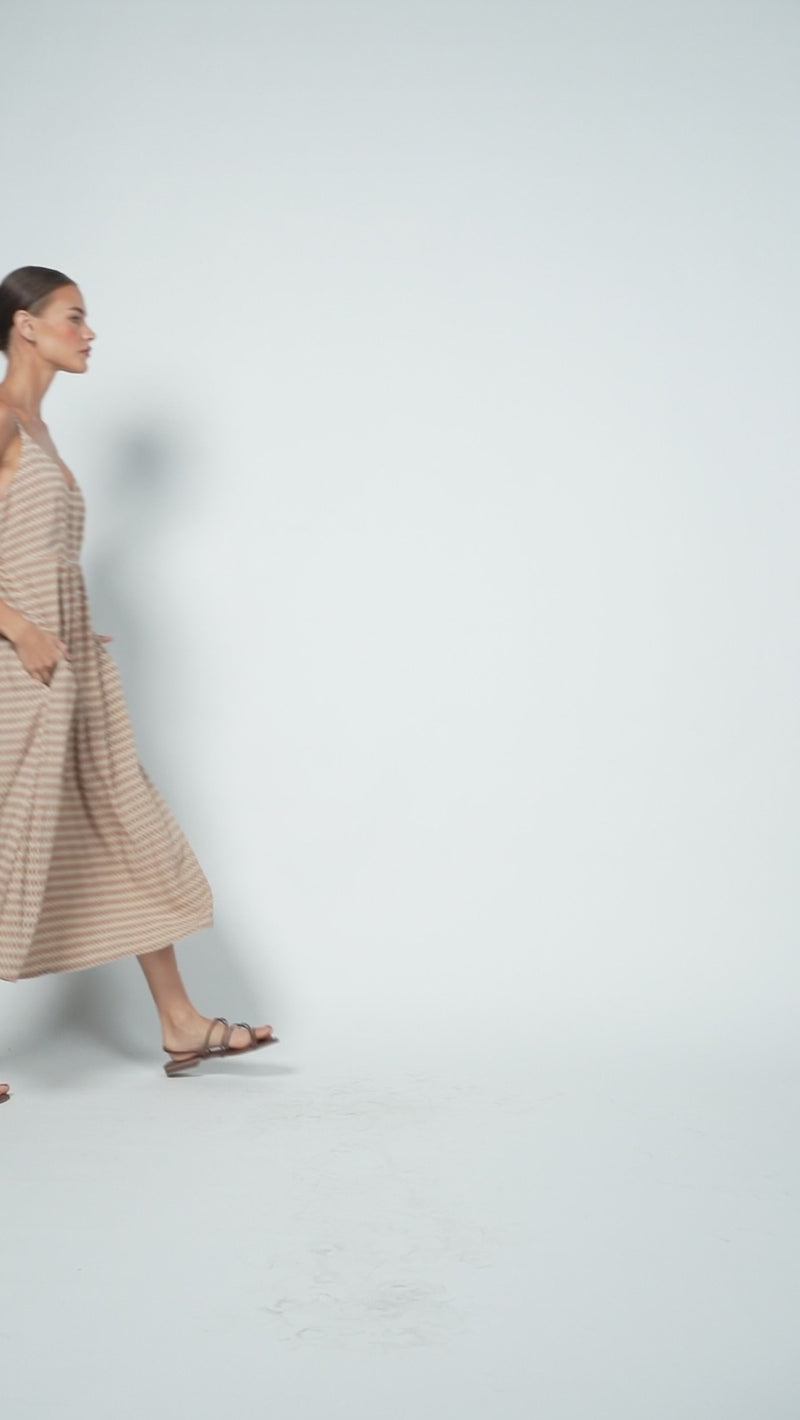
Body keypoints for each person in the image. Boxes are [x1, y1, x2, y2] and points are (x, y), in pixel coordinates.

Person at [0, 266, 277, 1103]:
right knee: (12, 838)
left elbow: (31, 552)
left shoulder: (39, 429)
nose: (89, 333)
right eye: (74, 316)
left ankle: (179, 1021)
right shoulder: (1, 416)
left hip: (67, 669)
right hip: (18, 673)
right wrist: (23, 628)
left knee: (122, 825)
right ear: (24, 326)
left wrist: (71, 624)